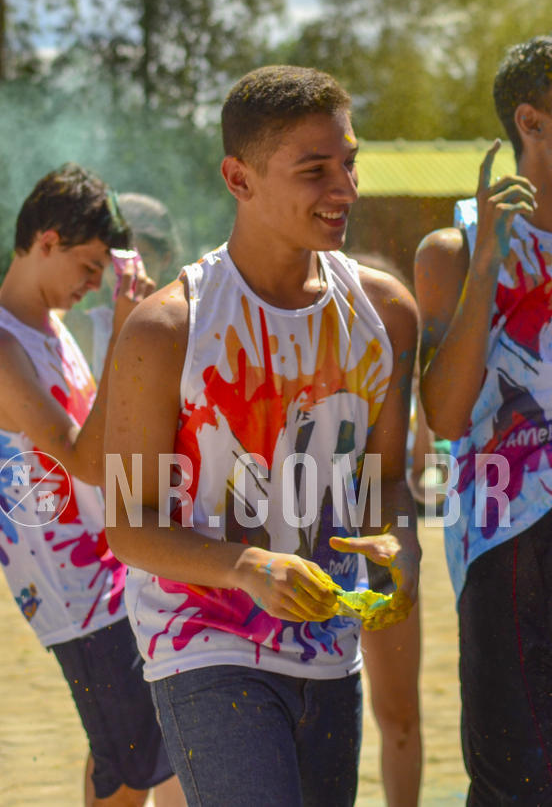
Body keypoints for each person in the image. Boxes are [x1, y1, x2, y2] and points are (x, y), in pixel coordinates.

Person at [104, 65, 422, 805]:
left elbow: (384, 482)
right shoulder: (166, 329)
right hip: (203, 647)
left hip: (329, 653)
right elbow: (128, 524)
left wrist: (400, 545)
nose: (346, 189)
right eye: (315, 171)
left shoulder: (386, 314)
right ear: (238, 179)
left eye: (350, 162)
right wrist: (247, 566)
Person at [0, 164, 184, 806]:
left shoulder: (50, 329)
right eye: (88, 266)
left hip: (109, 576)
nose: (93, 284)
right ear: (47, 240)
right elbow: (85, 460)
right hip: (75, 596)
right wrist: (127, 333)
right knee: (136, 765)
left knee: (120, 764)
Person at [414, 36, 550, 805]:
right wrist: (490, 262)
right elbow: (445, 413)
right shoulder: (454, 249)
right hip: (508, 547)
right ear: (531, 122)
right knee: (519, 785)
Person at [348, 250, 423, 807]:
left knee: (398, 716)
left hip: (380, 551)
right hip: (302, 546)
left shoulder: (397, 381)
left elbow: (406, 474)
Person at [65, 192, 179, 381]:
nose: (130, 272)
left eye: (143, 258)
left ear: (165, 259)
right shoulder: (86, 328)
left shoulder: (183, 325)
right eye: (119, 260)